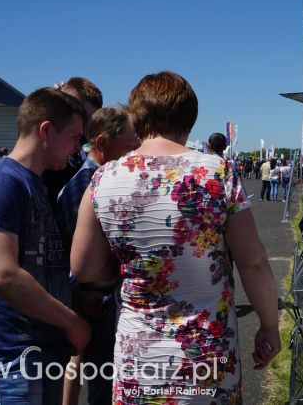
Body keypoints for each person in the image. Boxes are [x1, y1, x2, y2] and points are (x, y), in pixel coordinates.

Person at [70, 71, 280, 403]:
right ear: (190, 117)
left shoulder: (104, 178)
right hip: (206, 354)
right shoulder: (216, 173)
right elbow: (252, 263)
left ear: (137, 117)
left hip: (139, 354)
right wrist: (269, 326)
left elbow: (83, 267)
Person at [0, 87, 91, 405]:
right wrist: (72, 322)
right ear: (45, 130)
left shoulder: (30, 182)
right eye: (74, 137)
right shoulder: (1, 182)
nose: (77, 148)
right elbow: (1, 273)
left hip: (36, 350)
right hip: (11, 357)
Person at [56, 106, 140, 405]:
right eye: (131, 147)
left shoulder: (101, 180)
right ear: (102, 143)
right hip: (94, 304)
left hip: (101, 305)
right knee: (103, 387)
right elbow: (87, 265)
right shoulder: (85, 187)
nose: (137, 155)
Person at [43, 77, 103, 210]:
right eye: (84, 117)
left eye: (94, 120)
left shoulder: (88, 144)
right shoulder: (47, 154)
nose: (88, 127)